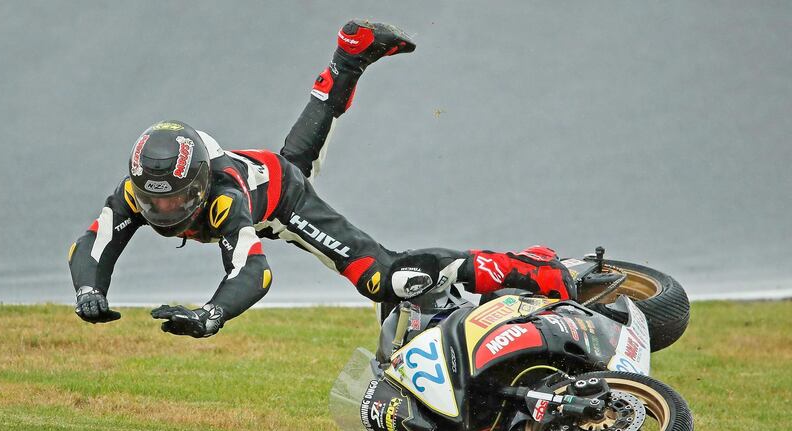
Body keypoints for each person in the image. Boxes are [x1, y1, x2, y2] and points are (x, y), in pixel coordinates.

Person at [69, 20, 576, 338]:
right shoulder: (136, 191)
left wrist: (210, 315)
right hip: (268, 165)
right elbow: (96, 241)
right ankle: (349, 54)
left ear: (199, 181)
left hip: (280, 199)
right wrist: (89, 291)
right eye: (151, 202)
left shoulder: (224, 199)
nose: (161, 210)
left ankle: (530, 268)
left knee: (387, 279)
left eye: (175, 198)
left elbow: (253, 272)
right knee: (303, 145)